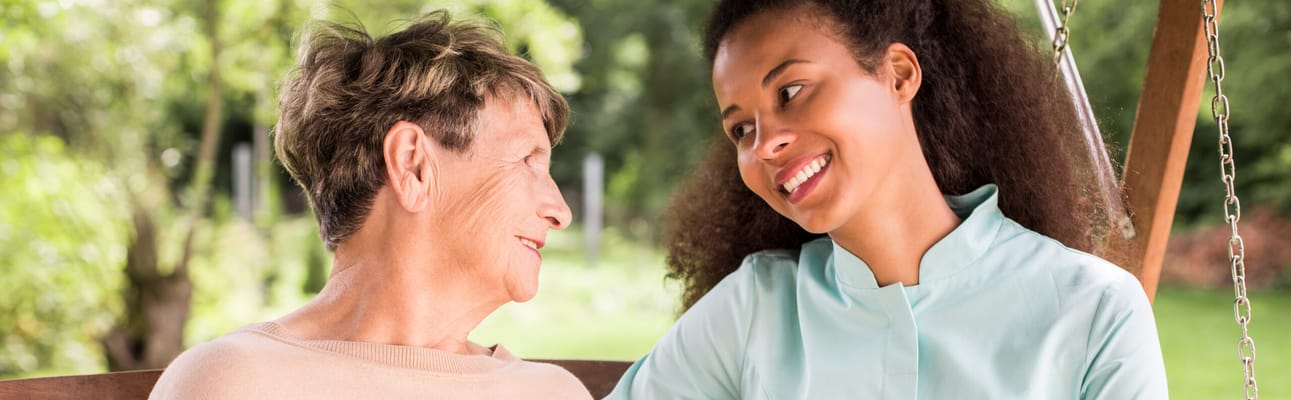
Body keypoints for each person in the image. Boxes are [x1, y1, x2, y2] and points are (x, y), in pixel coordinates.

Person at [608, 0, 1168, 398]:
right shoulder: (754, 308)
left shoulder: (1093, 311)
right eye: (741, 130)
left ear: (898, 75)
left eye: (790, 91)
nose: (767, 142)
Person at [150, 10, 591, 399]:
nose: (561, 212)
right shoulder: (236, 384)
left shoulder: (553, 392)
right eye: (528, 161)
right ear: (413, 165)